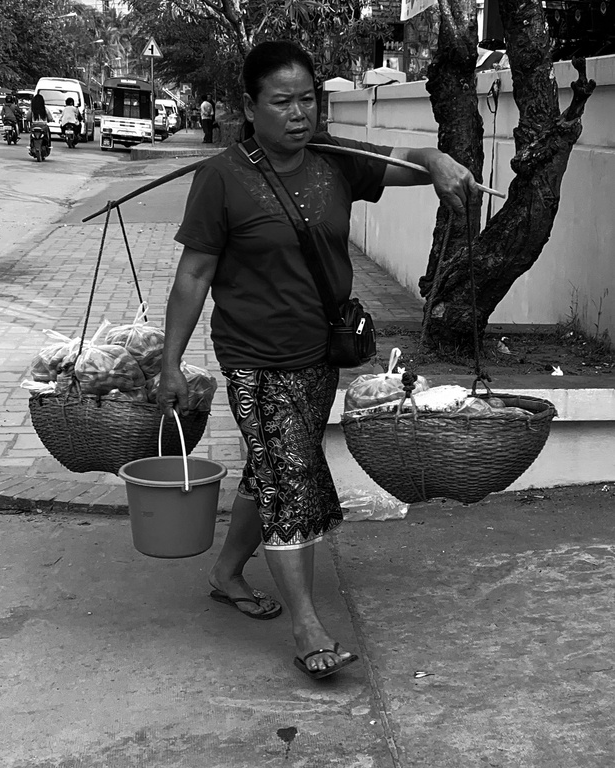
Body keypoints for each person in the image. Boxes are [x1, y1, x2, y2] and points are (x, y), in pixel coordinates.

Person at [157, 40, 477, 680]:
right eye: (282, 102)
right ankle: (306, 626)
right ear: (250, 108)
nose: (298, 113)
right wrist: (170, 363)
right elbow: (193, 274)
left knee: (274, 466)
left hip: (318, 353)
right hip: (252, 355)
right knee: (291, 483)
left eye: (308, 99)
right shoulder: (220, 178)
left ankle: (226, 572)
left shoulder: (336, 160)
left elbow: (404, 166)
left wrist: (437, 160)